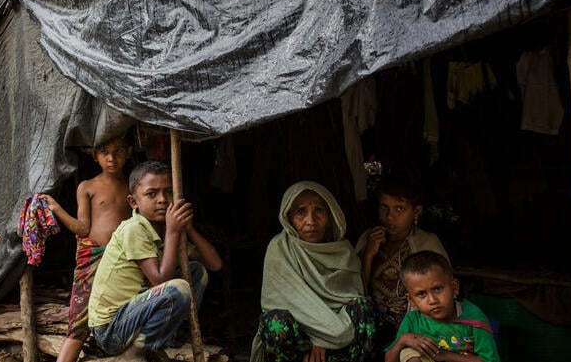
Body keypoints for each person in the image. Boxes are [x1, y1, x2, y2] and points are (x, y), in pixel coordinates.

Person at [88, 161, 222, 362]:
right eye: (152, 194)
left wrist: (188, 229)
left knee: (197, 271)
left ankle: (162, 338)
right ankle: (135, 353)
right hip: (111, 329)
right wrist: (173, 231)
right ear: (134, 202)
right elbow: (161, 280)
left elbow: (215, 264)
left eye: (169, 192)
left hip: (134, 317)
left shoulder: (166, 231)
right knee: (178, 289)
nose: (163, 200)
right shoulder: (134, 229)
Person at [250, 181, 375, 362]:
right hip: (300, 342)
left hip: (339, 339)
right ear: (289, 217)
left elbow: (352, 298)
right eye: (301, 212)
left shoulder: (344, 253)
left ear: (330, 215)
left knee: (364, 308)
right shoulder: (279, 248)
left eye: (319, 211)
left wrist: (325, 339)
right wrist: (317, 337)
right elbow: (276, 302)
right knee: (275, 322)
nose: (311, 221)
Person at [43, 135, 133, 362]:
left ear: (129, 152)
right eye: (105, 152)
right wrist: (56, 208)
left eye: (118, 151)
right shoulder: (87, 187)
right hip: (93, 259)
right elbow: (82, 229)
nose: (111, 158)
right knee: (79, 322)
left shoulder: (134, 186)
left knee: (126, 310)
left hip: (123, 261)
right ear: (95, 156)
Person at [355, 179, 450, 358]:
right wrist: (368, 255)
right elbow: (354, 289)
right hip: (372, 324)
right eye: (384, 208)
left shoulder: (427, 243)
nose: (390, 217)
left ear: (416, 211)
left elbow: (441, 294)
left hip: (415, 321)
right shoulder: (367, 239)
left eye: (399, 209)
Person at [385, 251, 499, 362]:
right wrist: (402, 340)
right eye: (421, 294)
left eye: (437, 289)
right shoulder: (413, 320)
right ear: (412, 300)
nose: (432, 300)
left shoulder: (473, 317)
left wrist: (444, 355)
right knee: (409, 353)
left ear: (454, 287)